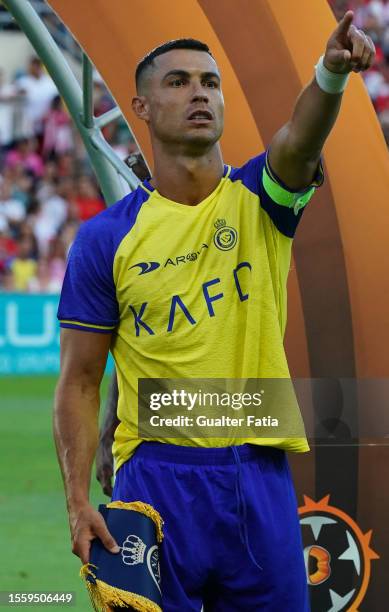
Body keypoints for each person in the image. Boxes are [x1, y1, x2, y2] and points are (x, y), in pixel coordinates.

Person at [53, 12, 375, 611]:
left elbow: (300, 140)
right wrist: (77, 502)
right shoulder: (105, 240)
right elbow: (77, 379)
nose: (199, 93)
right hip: (154, 482)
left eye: (209, 81)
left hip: (258, 478)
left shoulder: (262, 197)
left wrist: (329, 75)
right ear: (141, 107)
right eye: (177, 82)